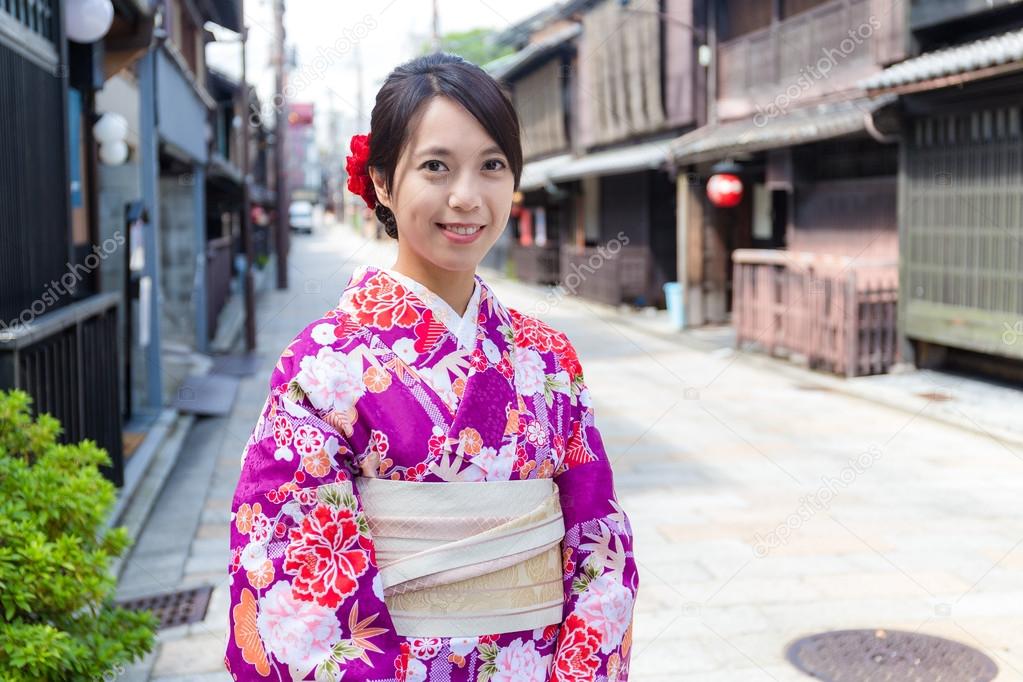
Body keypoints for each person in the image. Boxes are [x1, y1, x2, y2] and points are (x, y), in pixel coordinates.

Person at [225, 52, 638, 681]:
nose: (467, 197)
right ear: (384, 182)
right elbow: (293, 579)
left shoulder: (548, 359)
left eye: (492, 166)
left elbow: (599, 548)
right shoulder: (323, 368)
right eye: (436, 167)